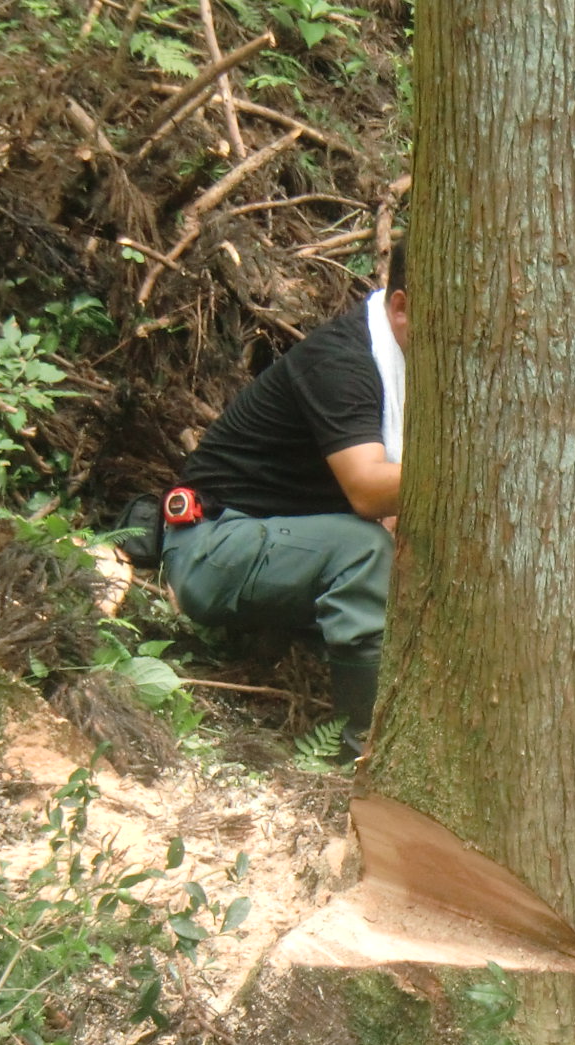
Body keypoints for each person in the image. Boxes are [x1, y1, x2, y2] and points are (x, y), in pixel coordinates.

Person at [160, 246, 409, 754]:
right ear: (401, 307)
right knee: (362, 549)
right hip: (211, 547)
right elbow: (367, 490)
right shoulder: (343, 361)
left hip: (279, 541)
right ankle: (372, 749)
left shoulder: (404, 357)